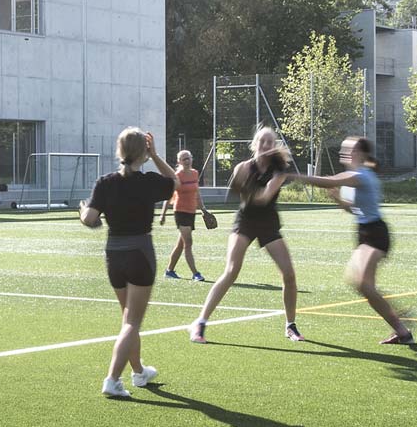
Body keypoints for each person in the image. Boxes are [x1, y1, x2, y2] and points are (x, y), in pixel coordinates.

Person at [82, 128, 176, 398]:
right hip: (140, 254)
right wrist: (157, 156)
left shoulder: (105, 182)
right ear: (143, 153)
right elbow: (176, 181)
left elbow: (89, 219)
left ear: (120, 151)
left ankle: (138, 372)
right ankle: (112, 379)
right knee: (132, 322)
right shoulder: (148, 182)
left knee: (127, 319)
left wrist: (81, 211)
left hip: (114, 255)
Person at [298, 136, 415, 345]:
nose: (344, 152)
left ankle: (401, 327)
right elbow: (352, 208)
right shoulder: (353, 178)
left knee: (364, 284)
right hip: (363, 233)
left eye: (349, 149)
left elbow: (329, 180)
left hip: (377, 233)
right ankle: (401, 329)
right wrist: (336, 198)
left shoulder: (361, 174)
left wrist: (294, 176)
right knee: (360, 284)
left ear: (360, 154)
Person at [190, 127, 299, 344]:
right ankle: (200, 323)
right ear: (254, 144)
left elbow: (264, 198)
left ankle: (290, 325)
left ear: (274, 145)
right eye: (262, 141)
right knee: (231, 271)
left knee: (289, 274)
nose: (266, 145)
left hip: (268, 223)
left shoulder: (279, 171)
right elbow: (235, 192)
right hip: (246, 221)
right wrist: (242, 183)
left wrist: (247, 189)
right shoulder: (243, 167)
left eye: (270, 141)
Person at [163, 149, 208, 282]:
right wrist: (163, 214)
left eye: (188, 158)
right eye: (184, 159)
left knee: (181, 244)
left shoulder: (195, 173)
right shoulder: (177, 176)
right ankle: (196, 273)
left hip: (191, 212)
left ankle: (169, 271)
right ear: (179, 162)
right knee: (188, 242)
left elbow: (197, 194)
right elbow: (168, 195)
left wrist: (203, 209)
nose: (187, 161)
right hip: (180, 211)